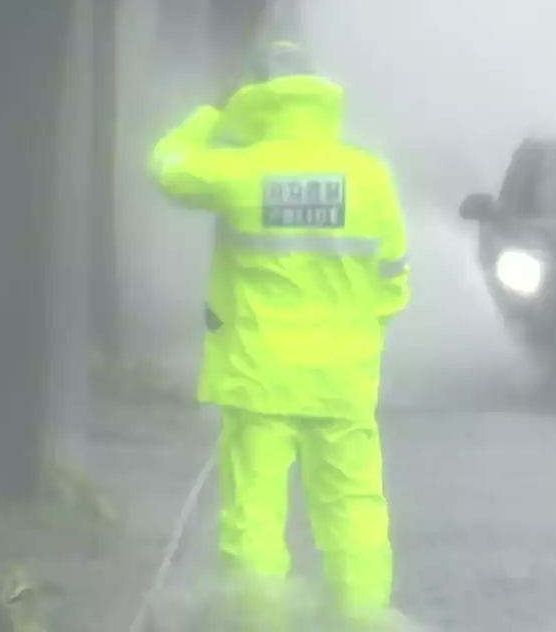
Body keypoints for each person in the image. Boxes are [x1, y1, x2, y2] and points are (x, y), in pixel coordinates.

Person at [149, 41, 411, 630]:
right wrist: (355, 331)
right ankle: (364, 618)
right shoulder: (367, 175)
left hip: (258, 376)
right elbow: (394, 279)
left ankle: (259, 621)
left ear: (258, 99)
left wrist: (212, 116)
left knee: (254, 516)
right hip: (342, 378)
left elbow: (166, 164)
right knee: (355, 509)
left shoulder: (243, 170)